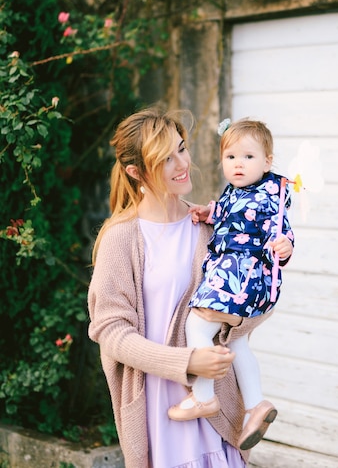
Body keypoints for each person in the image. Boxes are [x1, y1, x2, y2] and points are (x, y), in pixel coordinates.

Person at [87, 107, 276, 468]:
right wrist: (187, 362)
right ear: (136, 171)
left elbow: (255, 298)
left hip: (216, 406)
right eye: (165, 159)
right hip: (161, 408)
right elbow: (109, 330)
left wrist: (229, 325)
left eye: (182, 148)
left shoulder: (209, 225)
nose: (181, 163)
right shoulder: (121, 237)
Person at [167, 117, 294, 451]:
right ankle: (256, 405)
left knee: (196, 325)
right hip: (237, 277)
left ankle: (204, 396)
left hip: (239, 275)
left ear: (267, 162)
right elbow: (225, 213)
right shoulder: (237, 192)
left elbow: (279, 230)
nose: (238, 164)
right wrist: (206, 212)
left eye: (249, 157)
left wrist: (285, 246)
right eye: (231, 157)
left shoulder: (268, 197)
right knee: (237, 345)